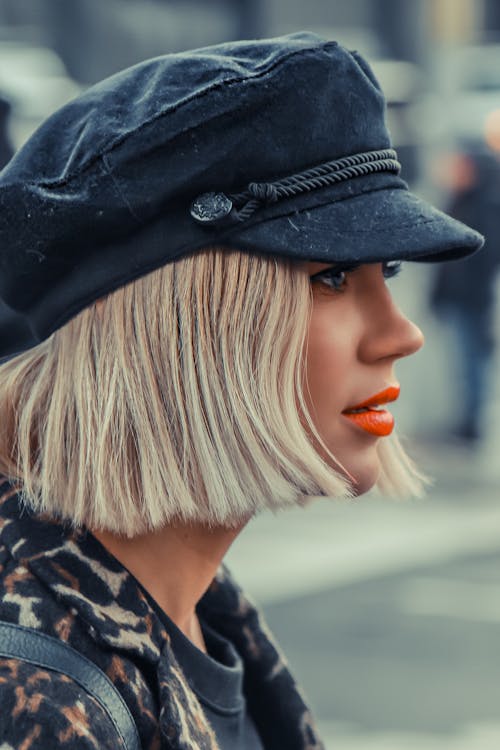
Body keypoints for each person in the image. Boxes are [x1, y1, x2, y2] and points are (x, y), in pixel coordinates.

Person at [0, 32, 483, 749]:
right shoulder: (38, 702)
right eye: (331, 278)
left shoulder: (189, 604)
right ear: (181, 328)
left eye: (390, 271)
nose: (400, 334)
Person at [430, 147, 500, 443]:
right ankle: (466, 419)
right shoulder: (460, 200)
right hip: (457, 297)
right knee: (463, 361)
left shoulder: (485, 205)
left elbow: (484, 259)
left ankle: (470, 424)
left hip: (472, 300)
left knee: (471, 361)